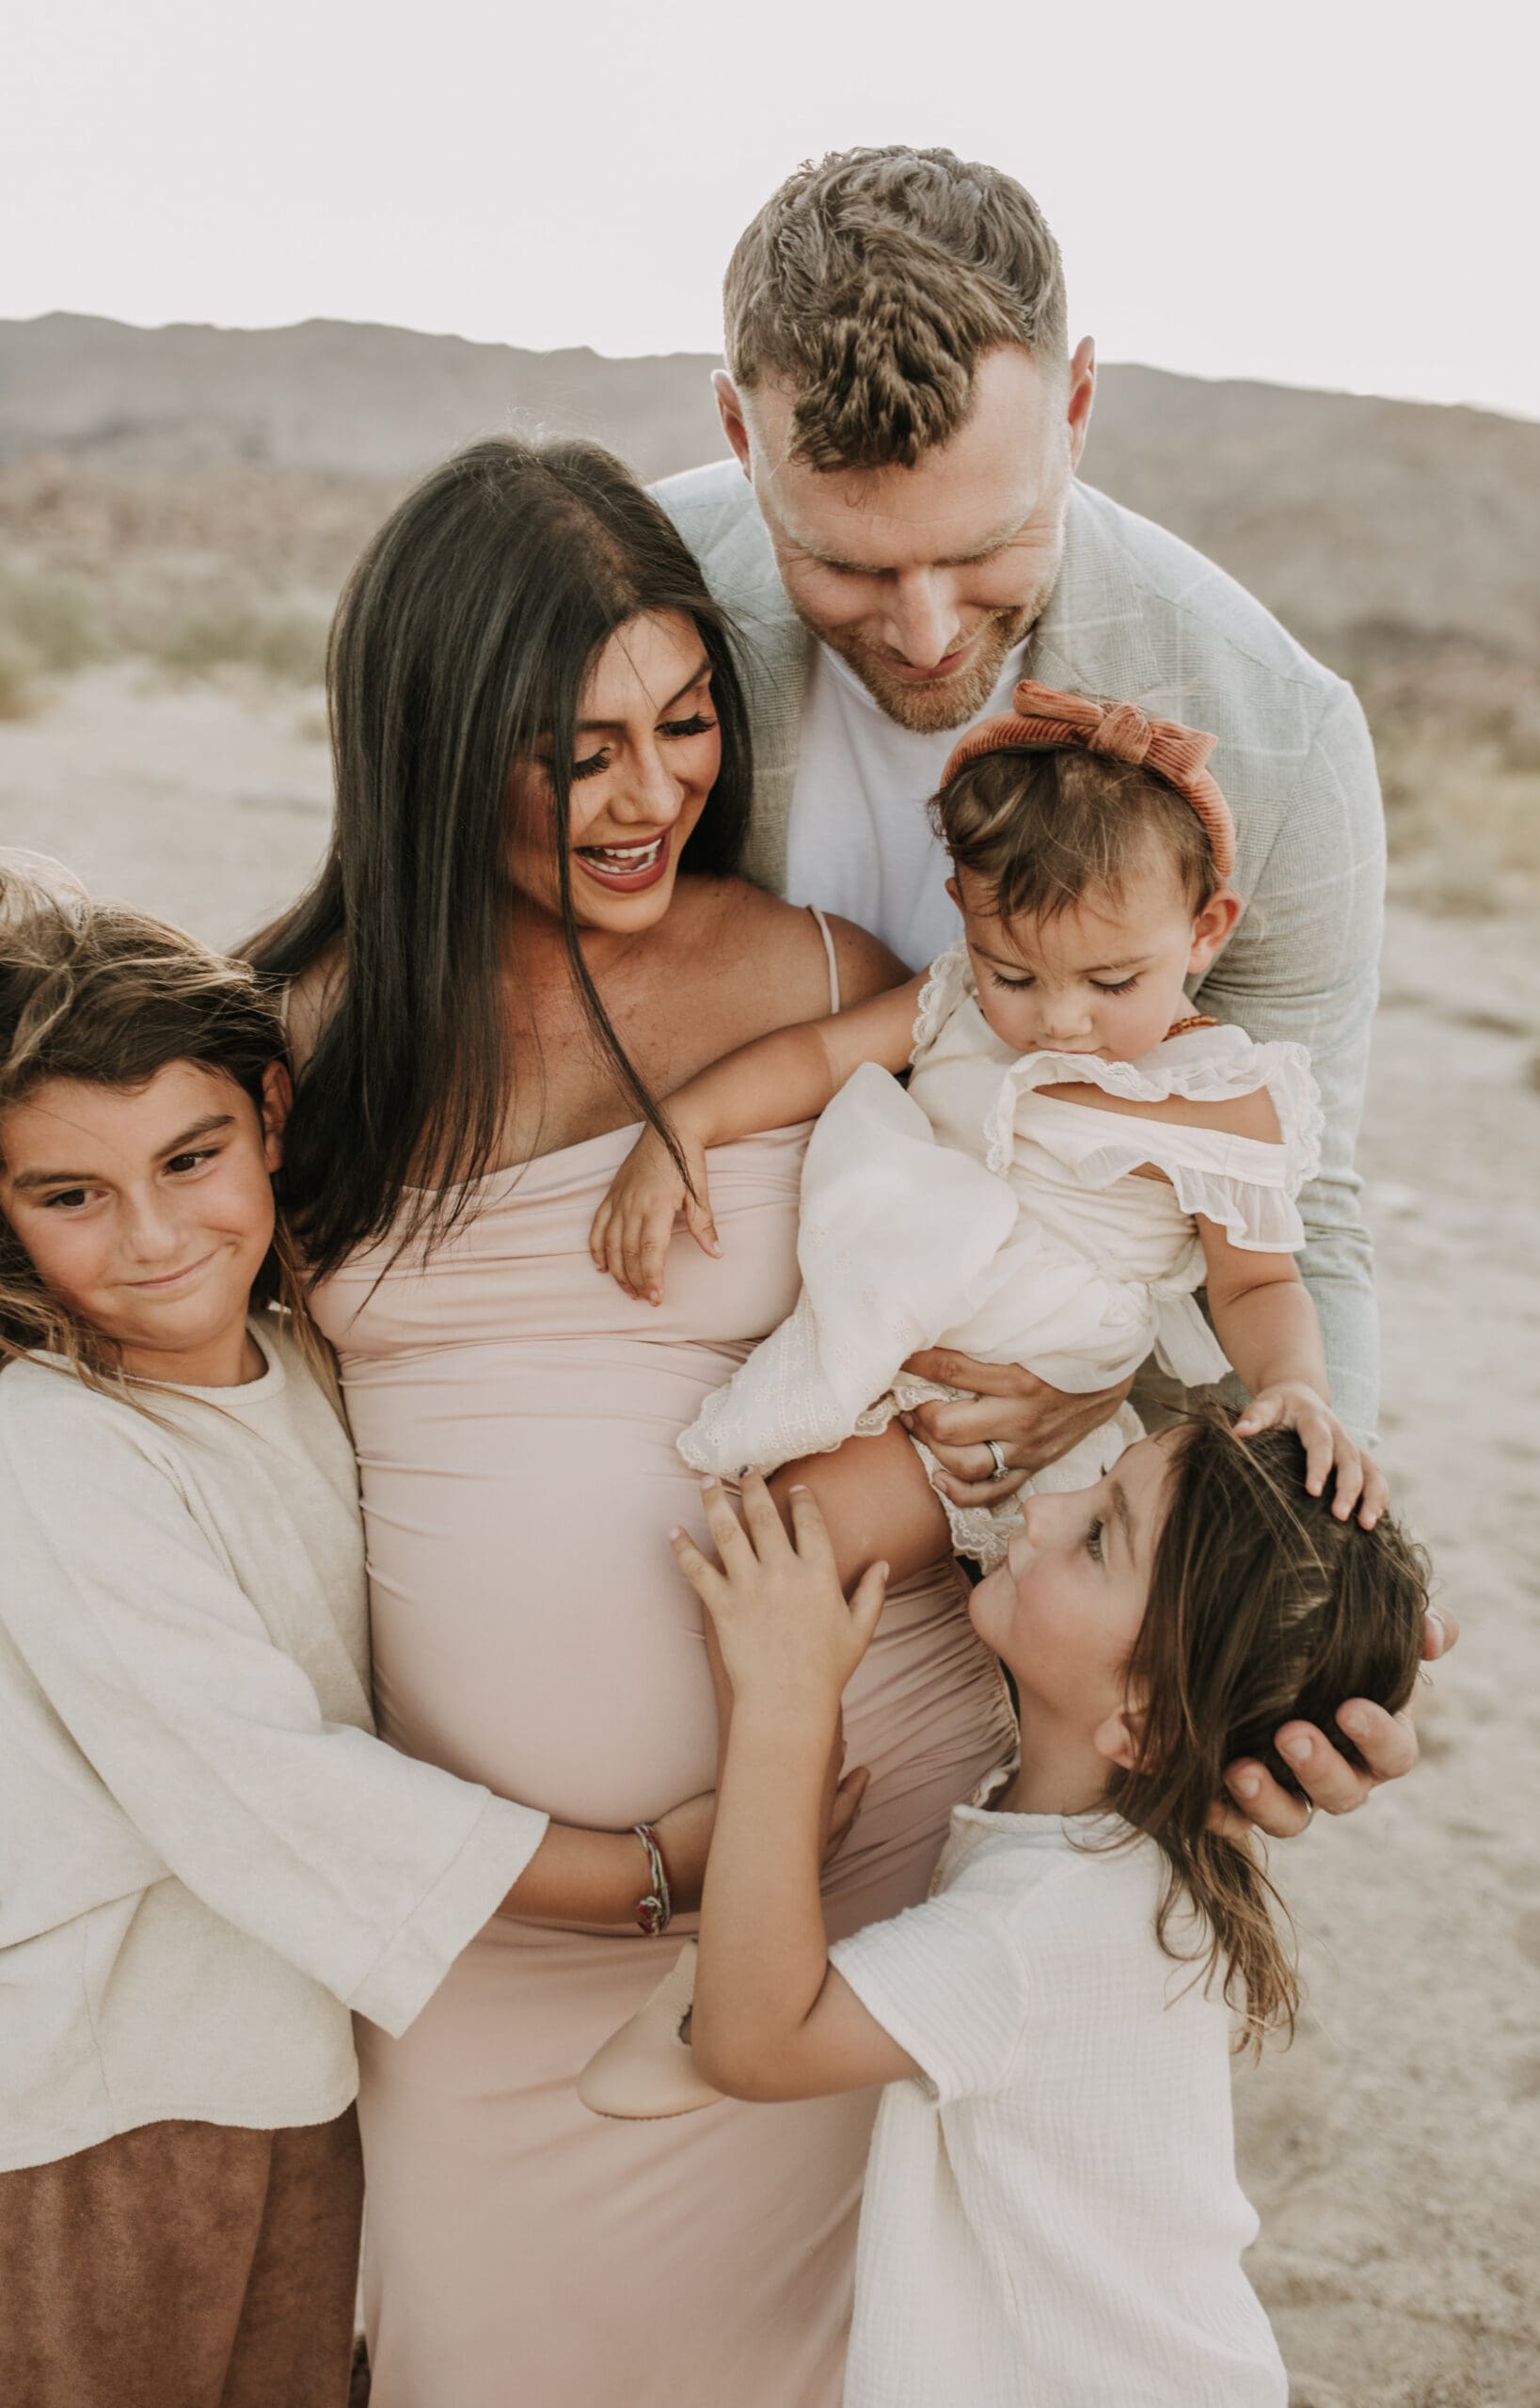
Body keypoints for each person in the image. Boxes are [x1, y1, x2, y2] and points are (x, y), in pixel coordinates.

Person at [249, 434, 1018, 2408]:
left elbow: (1027, 1350)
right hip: (490, 1919)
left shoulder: (826, 978)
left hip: (846, 1837)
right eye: (575, 745)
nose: (650, 787)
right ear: (428, 737)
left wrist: (921, 1493)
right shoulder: (290, 1042)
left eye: (682, 722)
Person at [0, 865, 766, 2408]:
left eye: (190, 1158)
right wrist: (651, 1873)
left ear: (271, 1118)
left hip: (289, 2058)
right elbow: (277, 1784)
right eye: (67, 1195)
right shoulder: (45, 1445)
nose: (151, 1236)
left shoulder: (300, 1356)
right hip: (94, 2101)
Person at [655, 146, 1389, 1687]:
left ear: (1075, 405)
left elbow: (1295, 1225)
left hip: (1032, 1490)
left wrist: (1299, 1613)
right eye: (845, 562)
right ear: (738, 428)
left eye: (983, 547)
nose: (923, 629)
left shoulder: (1273, 735)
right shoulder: (625, 608)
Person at [670, 1424, 1432, 2405]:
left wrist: (784, 1700)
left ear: (1147, 1722)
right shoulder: (1134, 1850)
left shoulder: (1034, 1924)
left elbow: (753, 2044)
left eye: (1100, 1537)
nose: (1043, 1510)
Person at [591, 680, 1385, 1589]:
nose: (1059, 1020)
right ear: (962, 914)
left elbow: (1257, 1283)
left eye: (1112, 983)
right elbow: (815, 1055)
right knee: (764, 1542)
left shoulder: (1219, 1099)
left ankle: (784, 1737)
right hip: (879, 1328)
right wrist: (683, 1123)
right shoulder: (956, 1001)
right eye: (1012, 972)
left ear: (1205, 932)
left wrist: (1295, 1385)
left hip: (995, 1403)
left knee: (787, 1555)